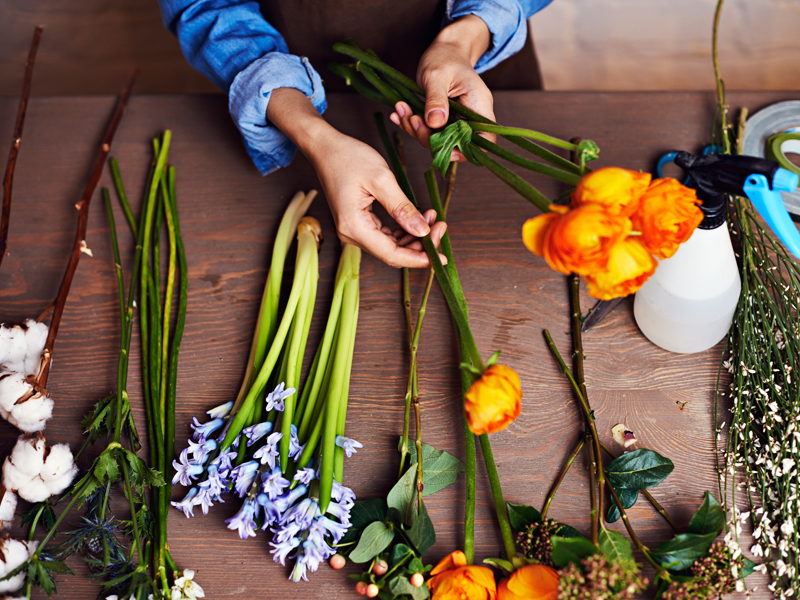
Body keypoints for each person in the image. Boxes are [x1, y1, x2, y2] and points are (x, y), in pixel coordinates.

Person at [157, 0, 553, 267]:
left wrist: (462, 40)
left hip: (472, 69)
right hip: (289, 74)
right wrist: (312, 134)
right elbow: (206, 6)